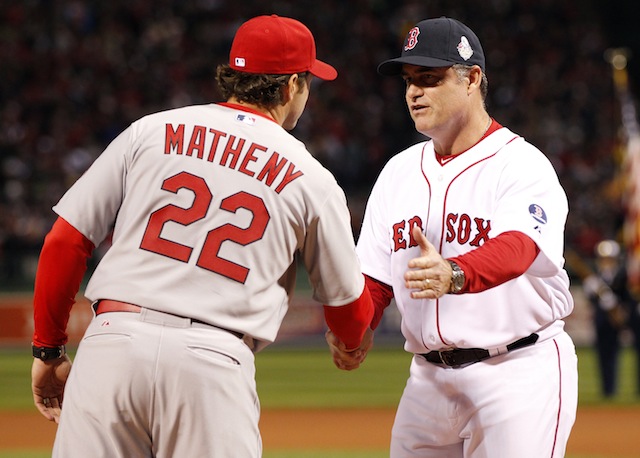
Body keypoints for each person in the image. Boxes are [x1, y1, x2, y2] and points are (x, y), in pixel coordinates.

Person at [31, 14, 373, 458]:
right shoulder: (312, 177)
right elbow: (348, 310)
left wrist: (48, 349)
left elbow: (65, 240)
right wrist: (349, 344)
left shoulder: (151, 130)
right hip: (212, 363)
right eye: (308, 81)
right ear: (290, 86)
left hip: (112, 345)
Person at [326, 17, 578, 457]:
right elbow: (376, 277)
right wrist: (358, 327)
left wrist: (456, 273)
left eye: (429, 78)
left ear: (472, 79)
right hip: (427, 380)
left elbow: (519, 247)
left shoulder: (520, 164)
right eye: (408, 81)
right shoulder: (398, 171)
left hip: (517, 370)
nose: (413, 92)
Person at [583, 239, 640, 397]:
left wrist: (619, 306)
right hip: (603, 321)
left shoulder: (624, 275)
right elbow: (592, 300)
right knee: (604, 355)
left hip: (623, 317)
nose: (606, 262)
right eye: (603, 258)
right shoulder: (595, 276)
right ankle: (608, 391)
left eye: (609, 258)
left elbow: (629, 295)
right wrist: (593, 293)